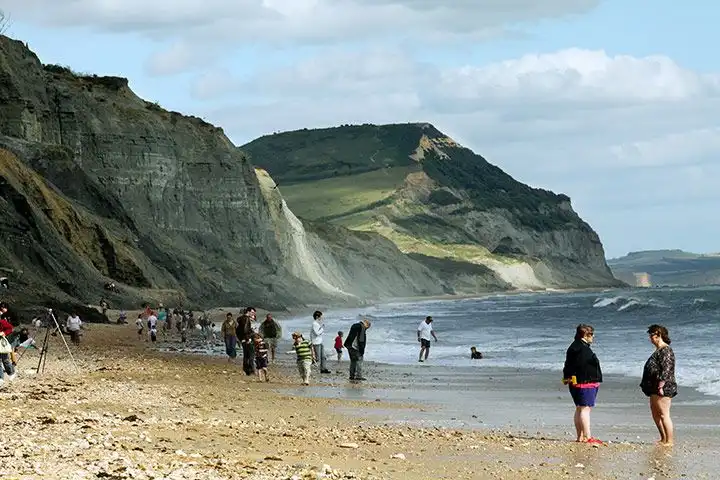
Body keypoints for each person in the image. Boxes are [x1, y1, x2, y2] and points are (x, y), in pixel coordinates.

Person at [563, 324, 603, 444]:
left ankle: (580, 436)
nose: (593, 336)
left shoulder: (574, 346)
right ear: (585, 335)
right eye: (591, 334)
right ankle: (587, 436)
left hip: (575, 382)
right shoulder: (582, 349)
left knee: (579, 408)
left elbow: (568, 365)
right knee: (585, 409)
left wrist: (567, 378)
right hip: (585, 382)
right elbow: (582, 366)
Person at [641, 324, 677, 446]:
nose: (650, 338)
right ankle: (663, 438)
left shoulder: (666, 350)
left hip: (663, 386)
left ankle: (669, 441)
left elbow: (666, 369)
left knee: (663, 414)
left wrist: (661, 386)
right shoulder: (658, 350)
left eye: (652, 335)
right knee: (655, 413)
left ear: (659, 335)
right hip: (654, 386)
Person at [236, 307, 256, 375]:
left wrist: (240, 339)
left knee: (246, 355)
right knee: (251, 354)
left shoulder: (241, 318)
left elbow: (237, 330)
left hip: (243, 339)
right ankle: (251, 370)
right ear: (248, 312)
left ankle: (246, 370)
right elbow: (245, 330)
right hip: (247, 339)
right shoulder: (247, 319)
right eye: (252, 312)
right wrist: (248, 338)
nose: (253, 314)